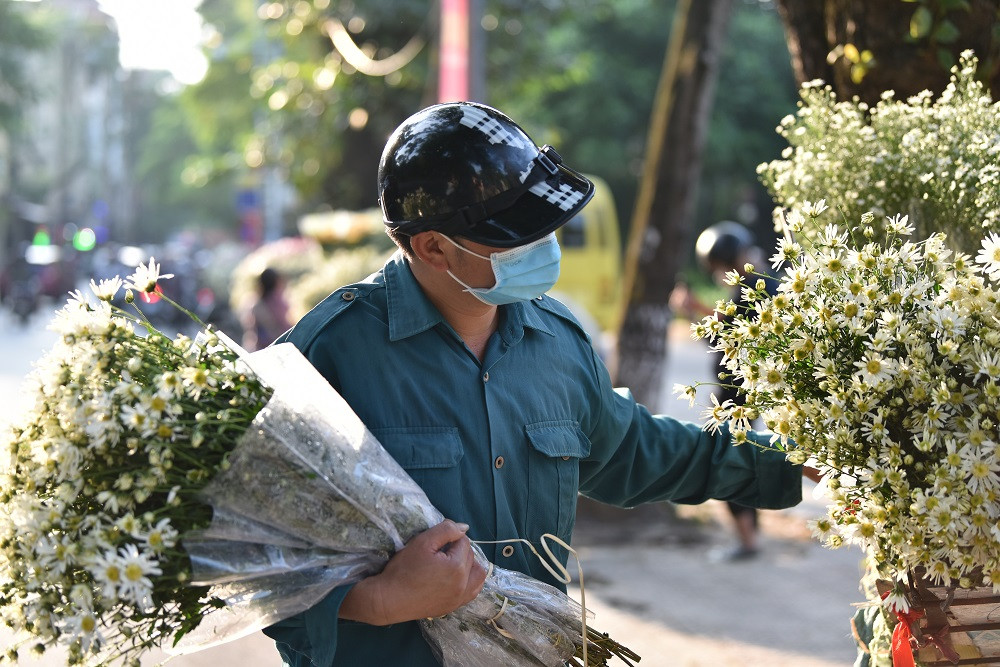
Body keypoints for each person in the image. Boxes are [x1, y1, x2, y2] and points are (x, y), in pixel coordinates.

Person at [263, 102, 809, 666]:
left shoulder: (560, 343)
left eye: (545, 225)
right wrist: (376, 600)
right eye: (516, 236)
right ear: (431, 247)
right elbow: (247, 553)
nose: (543, 246)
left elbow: (640, 451)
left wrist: (798, 460)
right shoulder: (325, 357)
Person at [670, 220, 780, 561]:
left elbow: (723, 334)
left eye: (719, 268)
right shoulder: (758, 282)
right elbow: (723, 325)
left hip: (737, 398)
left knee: (728, 463)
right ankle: (752, 535)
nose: (718, 275)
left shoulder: (755, 286)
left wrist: (691, 310)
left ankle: (749, 542)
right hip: (740, 395)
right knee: (742, 460)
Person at [240, 266, 292, 351]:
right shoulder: (277, 302)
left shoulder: (254, 304)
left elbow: (250, 330)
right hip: (278, 346)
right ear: (276, 282)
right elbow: (285, 325)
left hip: (260, 348)